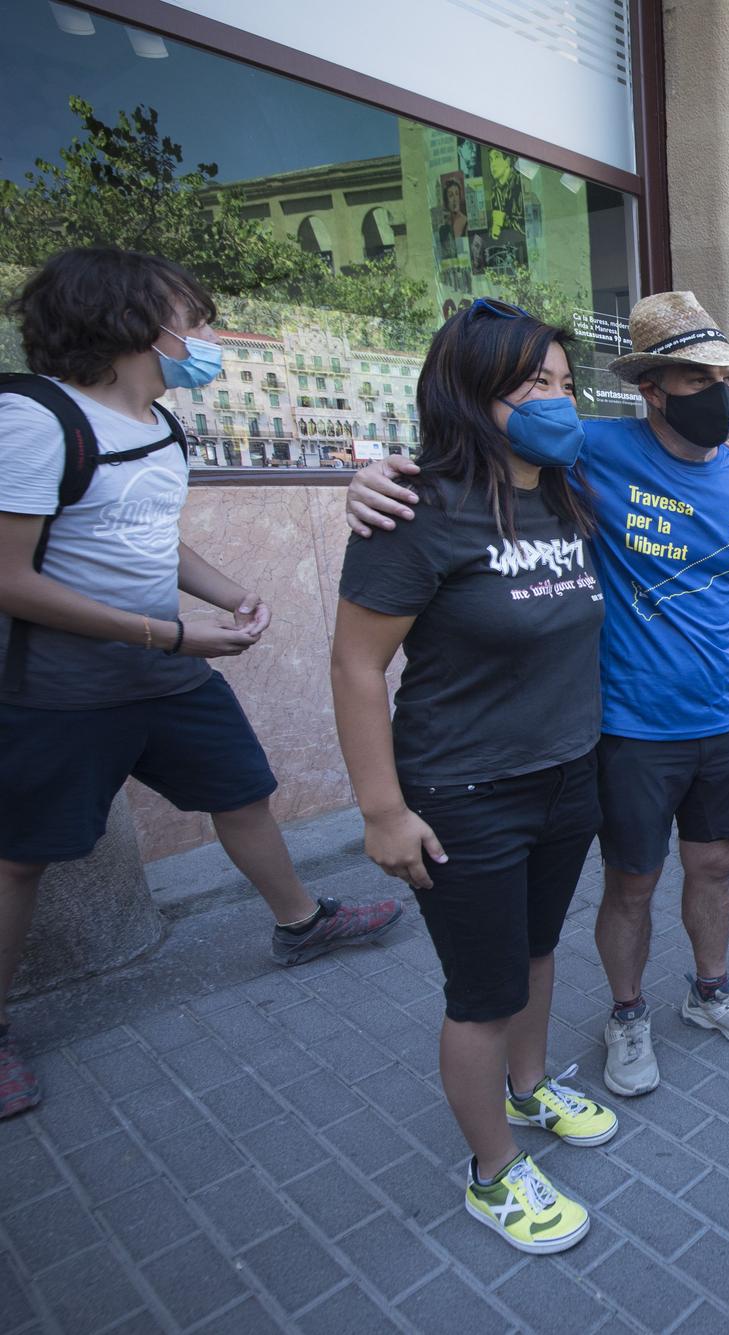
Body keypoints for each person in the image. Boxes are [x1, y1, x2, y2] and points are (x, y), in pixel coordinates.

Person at [342, 290, 729, 1097]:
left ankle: (711, 989)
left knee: (716, 863)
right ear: (650, 387)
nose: (720, 391)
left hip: (723, 714)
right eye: (696, 376)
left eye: (726, 374)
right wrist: (370, 475)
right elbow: (479, 448)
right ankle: (626, 1013)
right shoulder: (589, 450)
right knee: (634, 881)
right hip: (626, 725)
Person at [0, 249, 401, 1119]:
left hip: (168, 667)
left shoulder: (159, 419)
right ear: (133, 318)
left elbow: (148, 539)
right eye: (193, 315)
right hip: (66, 688)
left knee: (243, 793)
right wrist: (176, 633)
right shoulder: (36, 421)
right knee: (23, 858)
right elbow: (11, 578)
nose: (206, 336)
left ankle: (301, 924)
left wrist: (226, 591)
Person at [331, 301, 612, 1254]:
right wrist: (382, 810)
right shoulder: (413, 508)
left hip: (569, 775)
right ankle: (492, 1174)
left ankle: (529, 1093)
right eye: (533, 383)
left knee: (537, 956)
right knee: (482, 991)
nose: (558, 401)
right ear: (471, 389)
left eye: (567, 384)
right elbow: (356, 665)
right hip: (466, 795)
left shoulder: (566, 489)